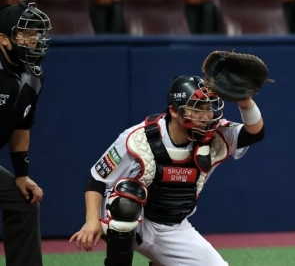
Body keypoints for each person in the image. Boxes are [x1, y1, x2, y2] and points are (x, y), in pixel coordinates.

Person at [70, 75, 265, 266]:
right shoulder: (138, 138)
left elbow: (254, 133)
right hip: (132, 219)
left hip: (173, 225)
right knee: (127, 199)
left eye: (208, 109)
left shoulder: (214, 134)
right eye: (196, 110)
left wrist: (245, 101)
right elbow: (97, 178)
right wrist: (92, 220)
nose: (205, 117)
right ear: (174, 111)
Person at [0, 2, 52, 266]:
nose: (33, 41)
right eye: (25, 34)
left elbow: (21, 125)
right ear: (4, 40)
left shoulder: (33, 76)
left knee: (24, 203)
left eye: (36, 34)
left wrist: (22, 175)